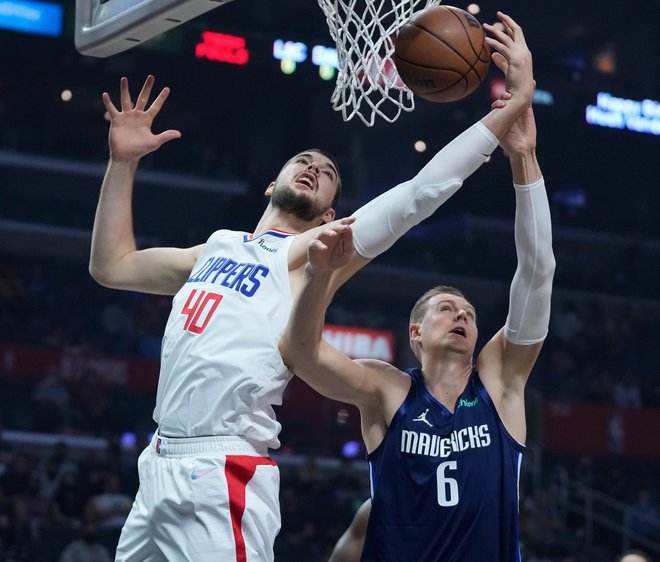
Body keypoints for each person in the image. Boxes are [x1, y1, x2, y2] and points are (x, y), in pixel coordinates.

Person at [89, 10, 535, 561]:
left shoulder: (313, 253)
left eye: (327, 172)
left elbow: (421, 193)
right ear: (271, 184)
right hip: (158, 460)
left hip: (224, 466)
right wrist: (122, 162)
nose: (312, 166)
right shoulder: (215, 247)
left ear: (330, 215)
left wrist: (513, 106)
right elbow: (111, 265)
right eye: (302, 160)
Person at [280, 13, 553, 561]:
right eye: (446, 308)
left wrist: (524, 158)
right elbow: (301, 353)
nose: (462, 315)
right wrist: (317, 279)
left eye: (469, 312)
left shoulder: (500, 384)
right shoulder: (388, 392)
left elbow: (538, 269)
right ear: (415, 333)